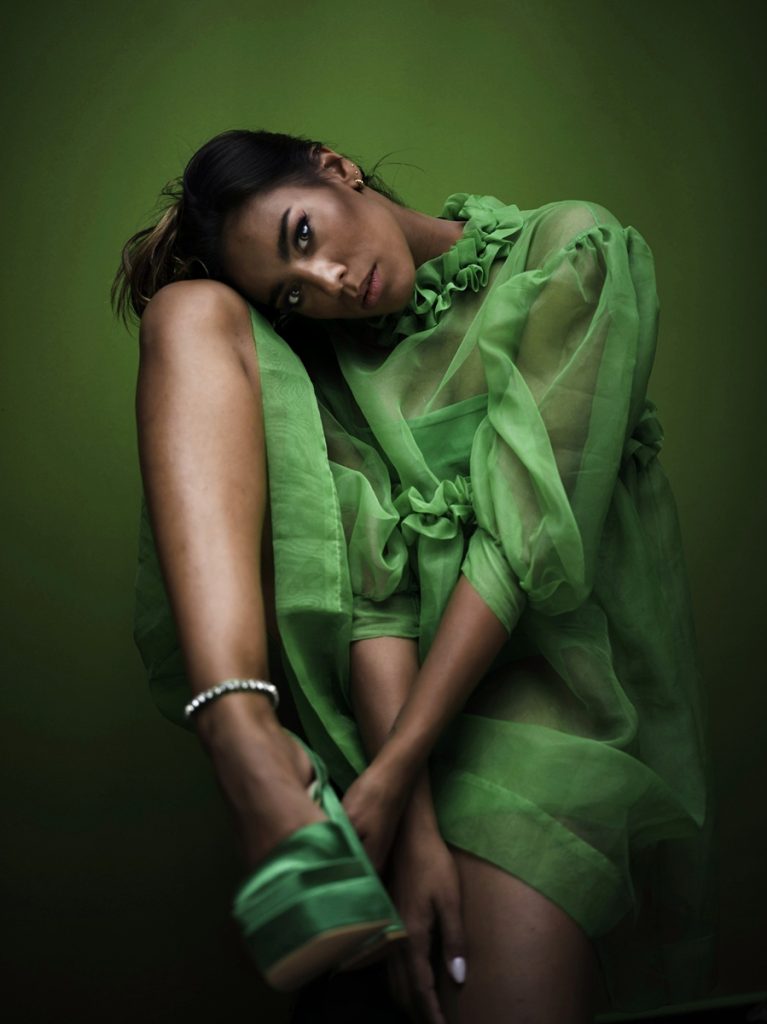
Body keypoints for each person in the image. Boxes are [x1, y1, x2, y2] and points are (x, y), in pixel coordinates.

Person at [113, 129, 713, 1023]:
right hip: (381, 709)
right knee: (186, 312)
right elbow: (378, 604)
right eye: (290, 293)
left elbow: (517, 550)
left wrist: (390, 785)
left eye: (303, 236)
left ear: (335, 167)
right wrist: (411, 826)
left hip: (545, 681)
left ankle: (300, 788)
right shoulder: (331, 352)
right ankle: (244, 738)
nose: (324, 284)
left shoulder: (569, 249)